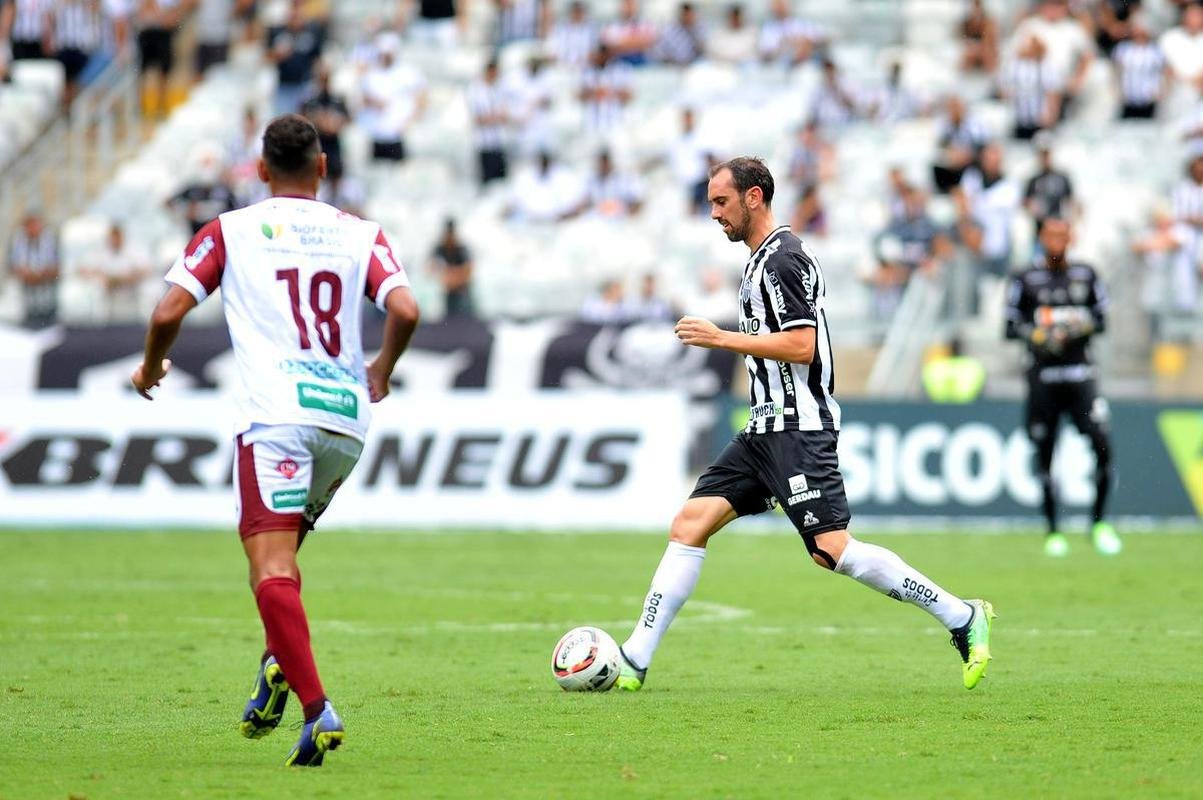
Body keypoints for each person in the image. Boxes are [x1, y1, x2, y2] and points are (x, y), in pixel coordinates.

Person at [613, 157, 995, 694]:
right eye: (709, 204)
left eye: (721, 202)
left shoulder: (783, 260)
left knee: (833, 550)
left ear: (754, 198)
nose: (714, 214)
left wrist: (721, 338)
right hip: (763, 428)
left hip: (799, 428)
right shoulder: (757, 261)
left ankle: (961, 616)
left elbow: (802, 344)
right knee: (689, 524)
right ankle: (634, 659)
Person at [130, 114, 420, 766]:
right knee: (284, 557)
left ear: (259, 171)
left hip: (276, 419)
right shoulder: (359, 233)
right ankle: (273, 670)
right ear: (323, 168)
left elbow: (167, 311)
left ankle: (318, 711)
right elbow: (404, 309)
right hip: (345, 424)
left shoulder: (229, 230)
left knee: (270, 571)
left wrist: (149, 368)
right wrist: (380, 369)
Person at [1004, 218, 1120, 558]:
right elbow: (1010, 326)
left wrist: (1076, 327)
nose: (1056, 240)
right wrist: (1036, 335)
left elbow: (1101, 320)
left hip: (1081, 375)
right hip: (1043, 379)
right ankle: (1053, 531)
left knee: (1102, 444)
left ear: (1071, 236)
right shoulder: (1025, 278)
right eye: (1050, 234)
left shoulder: (1087, 274)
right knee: (1045, 453)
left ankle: (1098, 523)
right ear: (1041, 237)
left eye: (1062, 234)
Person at [81, 222, 151, 322]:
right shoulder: (101, 252)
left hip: (130, 294)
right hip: (108, 296)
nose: (115, 240)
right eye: (112, 237)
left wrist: (126, 278)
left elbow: (147, 269)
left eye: (117, 237)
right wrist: (101, 276)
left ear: (122, 237)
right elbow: (83, 269)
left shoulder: (133, 250)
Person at [7, 208, 59, 329]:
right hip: (25, 291)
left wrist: (42, 274)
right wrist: (26, 273)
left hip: (47, 290)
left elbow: (57, 266)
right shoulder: (17, 240)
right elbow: (12, 266)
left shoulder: (50, 239)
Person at [1111, 15, 1168, 119]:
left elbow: (1165, 71)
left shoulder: (1155, 51)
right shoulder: (1122, 49)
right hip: (1128, 100)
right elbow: (1116, 71)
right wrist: (1116, 91)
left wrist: (1162, 92)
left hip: (1148, 99)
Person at [1024, 134, 1077, 239]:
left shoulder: (1062, 177)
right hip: (1040, 234)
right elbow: (1027, 204)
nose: (1045, 157)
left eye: (1047, 153)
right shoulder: (1033, 180)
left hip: (1059, 233)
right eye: (1042, 154)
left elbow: (1072, 204)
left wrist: (1070, 225)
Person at [467, 58, 509, 186]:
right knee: (487, 181)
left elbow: (505, 114)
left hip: (499, 141)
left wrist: (495, 118)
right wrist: (494, 118)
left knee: (502, 180)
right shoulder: (475, 91)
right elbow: (477, 118)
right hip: (484, 143)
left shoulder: (499, 89)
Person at [429, 218, 474, 316]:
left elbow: (469, 270)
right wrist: (444, 276)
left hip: (462, 293)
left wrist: (452, 277)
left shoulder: (461, 249)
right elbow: (429, 268)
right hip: (446, 293)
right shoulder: (440, 249)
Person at [922, 338, 986, 403]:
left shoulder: (933, 367)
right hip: (968, 407)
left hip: (937, 409)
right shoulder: (974, 366)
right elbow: (981, 391)